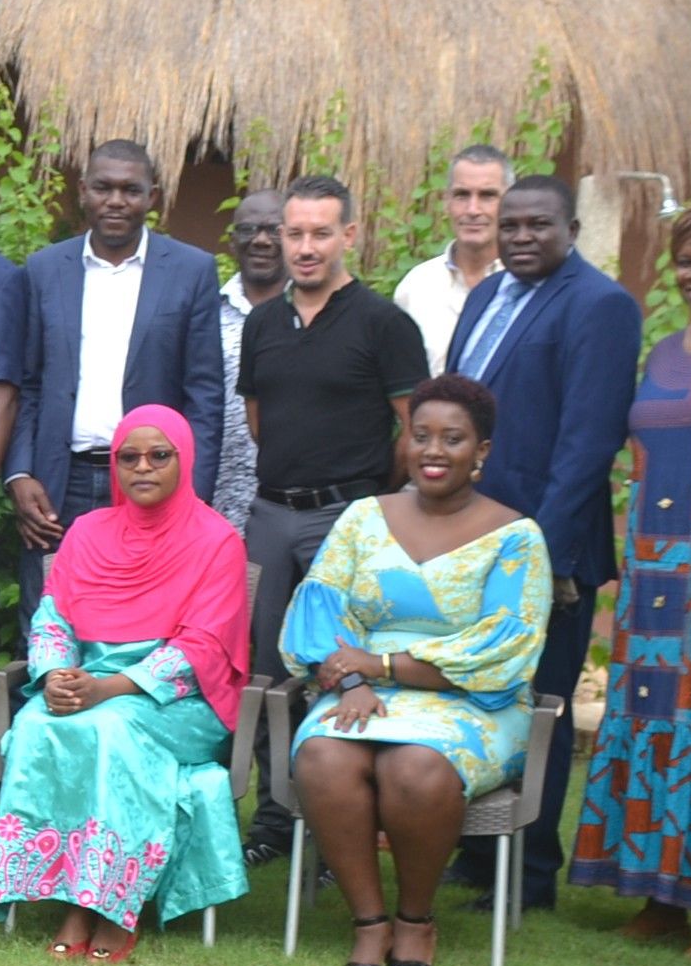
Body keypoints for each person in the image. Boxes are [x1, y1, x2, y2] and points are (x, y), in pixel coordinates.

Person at [280, 373, 554, 966]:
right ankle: (369, 921)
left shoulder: (515, 537)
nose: (433, 450)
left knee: (416, 764)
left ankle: (415, 919)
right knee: (325, 756)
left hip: (470, 700)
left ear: (481, 450)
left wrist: (381, 665)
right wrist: (352, 680)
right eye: (420, 434)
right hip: (359, 689)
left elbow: (505, 650)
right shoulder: (362, 517)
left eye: (452, 438)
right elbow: (318, 611)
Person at [0, 405, 249, 961]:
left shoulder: (217, 540)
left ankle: (107, 906)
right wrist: (56, 675)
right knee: (35, 724)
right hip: (89, 683)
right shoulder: (88, 532)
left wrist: (110, 688)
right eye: (129, 457)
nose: (143, 467)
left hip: (177, 701)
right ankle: (71, 892)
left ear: (184, 460)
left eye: (159, 456)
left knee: (110, 727)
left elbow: (200, 647)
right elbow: (53, 618)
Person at [449, 173, 644, 910]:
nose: (522, 237)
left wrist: (546, 556)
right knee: (474, 696)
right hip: (469, 540)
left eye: (539, 225)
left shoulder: (600, 306)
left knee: (538, 708)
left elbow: (586, 443)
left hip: (543, 549)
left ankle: (527, 873)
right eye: (511, 225)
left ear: (571, 230)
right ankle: (473, 855)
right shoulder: (485, 297)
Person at [570, 202, 691, 955]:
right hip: (651, 565)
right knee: (648, 719)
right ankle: (657, 895)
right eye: (687, 260)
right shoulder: (664, 352)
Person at [236, 174, 429, 867]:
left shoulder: (382, 323)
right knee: (263, 670)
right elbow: (261, 422)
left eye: (321, 233)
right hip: (271, 515)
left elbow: (413, 432)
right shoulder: (262, 322)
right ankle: (274, 819)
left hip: (347, 519)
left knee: (337, 666)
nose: (305, 247)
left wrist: (370, 506)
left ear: (349, 235)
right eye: (294, 233)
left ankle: (334, 820)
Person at [5, 140, 223, 626]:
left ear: (153, 197)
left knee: (150, 620)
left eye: (131, 189)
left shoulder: (191, 271)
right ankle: (41, 702)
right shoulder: (44, 270)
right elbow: (31, 384)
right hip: (60, 484)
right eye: (104, 188)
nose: (116, 200)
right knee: (47, 619)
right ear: (83, 192)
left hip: (153, 480)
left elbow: (204, 394)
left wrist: (194, 491)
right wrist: (20, 474)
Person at [394, 145, 510, 374]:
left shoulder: (527, 286)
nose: (473, 209)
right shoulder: (415, 288)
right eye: (462, 195)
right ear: (447, 201)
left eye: (487, 196)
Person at [212, 190, 288, 526]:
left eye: (274, 230)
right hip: (214, 505)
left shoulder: (312, 315)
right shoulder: (205, 313)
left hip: (290, 506)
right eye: (248, 230)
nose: (261, 240)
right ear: (231, 241)